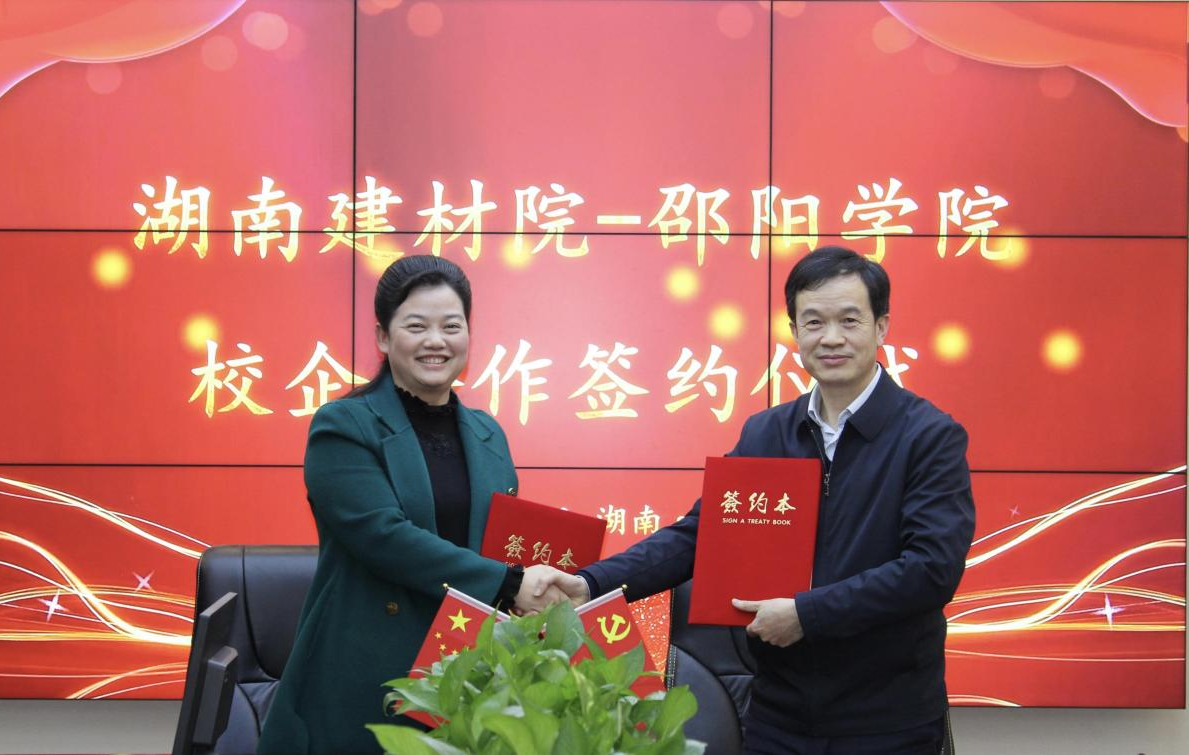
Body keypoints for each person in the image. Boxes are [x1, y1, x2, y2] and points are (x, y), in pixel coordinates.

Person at [534, 246, 975, 754]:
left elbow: (931, 569)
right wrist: (592, 584)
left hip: (888, 721)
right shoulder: (768, 433)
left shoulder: (928, 436)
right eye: (814, 322)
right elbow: (700, 536)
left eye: (849, 320)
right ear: (794, 331)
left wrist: (807, 614)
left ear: (881, 327)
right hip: (779, 717)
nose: (831, 337)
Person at [258, 255, 559, 753]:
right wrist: (509, 584)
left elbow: (499, 541)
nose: (436, 341)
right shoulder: (343, 426)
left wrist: (543, 586)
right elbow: (384, 537)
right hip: (368, 667)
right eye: (416, 326)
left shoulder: (488, 432)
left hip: (466, 667)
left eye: (451, 326)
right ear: (383, 337)